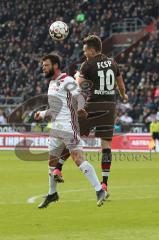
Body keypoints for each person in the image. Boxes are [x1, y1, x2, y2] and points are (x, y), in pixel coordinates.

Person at [53, 35, 128, 195]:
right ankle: (105, 184)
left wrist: (76, 77)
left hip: (93, 105)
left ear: (93, 50)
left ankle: (58, 168)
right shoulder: (113, 63)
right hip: (110, 106)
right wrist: (124, 96)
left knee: (73, 135)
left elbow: (78, 83)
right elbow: (120, 84)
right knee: (106, 146)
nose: (83, 52)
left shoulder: (88, 64)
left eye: (85, 49)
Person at [34, 54, 107, 208]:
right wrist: (42, 114)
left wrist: (80, 107)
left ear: (55, 65)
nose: (43, 68)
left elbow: (79, 95)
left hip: (68, 126)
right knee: (51, 163)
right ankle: (52, 193)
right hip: (55, 128)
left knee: (78, 158)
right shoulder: (52, 83)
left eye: (46, 65)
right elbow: (54, 108)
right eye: (43, 65)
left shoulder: (67, 80)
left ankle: (100, 190)